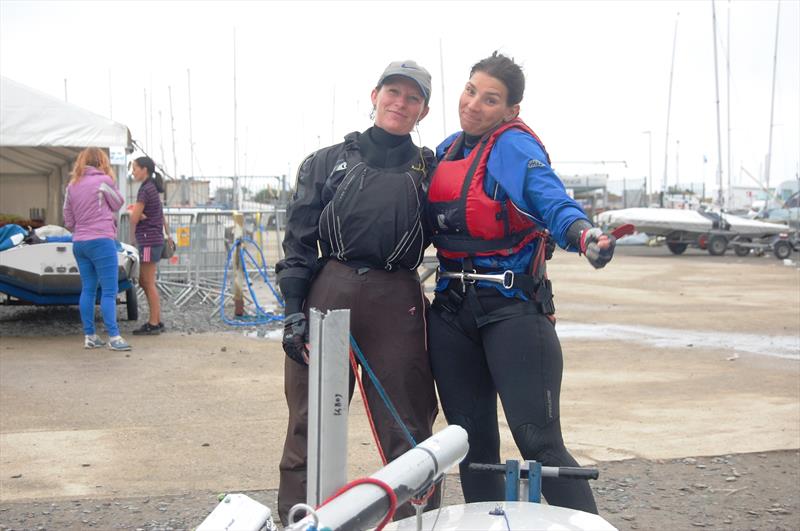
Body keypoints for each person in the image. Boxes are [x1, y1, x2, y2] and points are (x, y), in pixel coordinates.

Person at [425, 52, 618, 514]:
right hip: (452, 312)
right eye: (471, 90)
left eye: (490, 99)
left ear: (511, 111)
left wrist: (582, 234)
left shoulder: (513, 147)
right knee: (471, 447)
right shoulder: (448, 148)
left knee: (540, 443)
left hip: (511, 309)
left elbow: (550, 198)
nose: (474, 104)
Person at [275, 60, 440, 526]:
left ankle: (415, 522)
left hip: (398, 294)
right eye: (393, 92)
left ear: (423, 111)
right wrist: (292, 312)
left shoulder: (431, 168)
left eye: (413, 98)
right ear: (374, 95)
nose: (400, 103)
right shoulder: (327, 162)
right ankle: (301, 520)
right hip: (331, 287)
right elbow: (300, 241)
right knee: (310, 421)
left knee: (407, 422)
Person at [63, 147, 131, 351]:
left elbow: (68, 219)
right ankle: (115, 337)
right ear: (102, 162)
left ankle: (90, 336)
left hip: (80, 243)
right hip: (101, 240)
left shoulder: (72, 185)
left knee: (88, 290)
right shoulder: (104, 181)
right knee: (110, 290)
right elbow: (118, 202)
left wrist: (82, 228)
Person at [129, 156, 165, 335]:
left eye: (135, 168)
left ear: (145, 170)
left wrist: (134, 212)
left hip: (149, 240)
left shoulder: (145, 190)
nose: (133, 172)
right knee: (147, 281)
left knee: (147, 282)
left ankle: (154, 323)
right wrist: (139, 212)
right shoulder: (151, 188)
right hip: (153, 239)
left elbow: (133, 218)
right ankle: (156, 320)